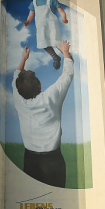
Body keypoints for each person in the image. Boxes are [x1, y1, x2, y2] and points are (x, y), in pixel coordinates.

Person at [12, 40, 74, 187]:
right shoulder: (51, 96)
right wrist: (65, 51)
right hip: (53, 160)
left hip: (29, 159)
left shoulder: (18, 99)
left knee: (34, 199)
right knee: (57, 198)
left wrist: (23, 59)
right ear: (39, 85)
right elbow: (67, 74)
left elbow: (16, 77)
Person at [23, 0, 68, 70]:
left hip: (52, 27)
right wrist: (28, 21)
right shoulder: (34, 3)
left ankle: (67, 56)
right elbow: (31, 14)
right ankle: (55, 57)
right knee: (43, 44)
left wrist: (64, 18)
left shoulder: (51, 0)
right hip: (41, 28)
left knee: (57, 43)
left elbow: (61, 11)